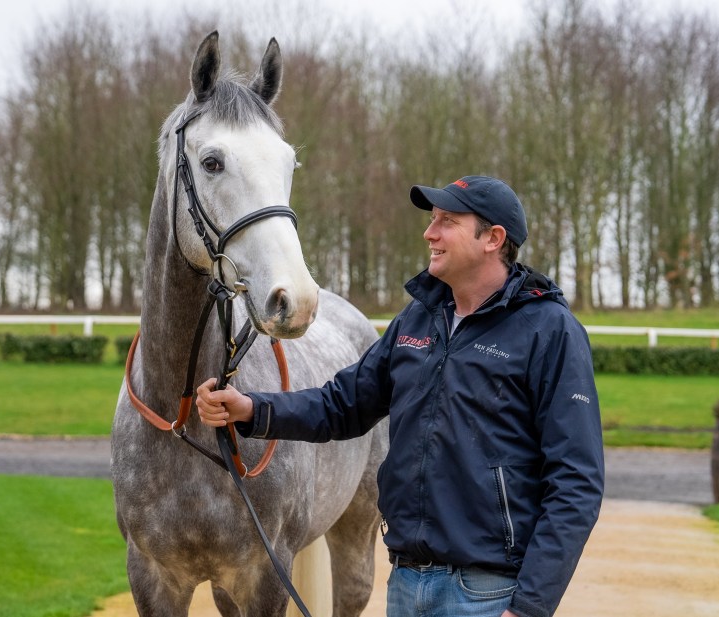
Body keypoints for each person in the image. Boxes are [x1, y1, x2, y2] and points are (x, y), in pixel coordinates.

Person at [196, 175, 604, 617]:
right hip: (407, 583)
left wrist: (529, 607)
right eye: (432, 220)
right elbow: (344, 404)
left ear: (493, 238)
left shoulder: (550, 331)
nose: (430, 233)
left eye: (447, 221)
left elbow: (576, 483)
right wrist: (254, 409)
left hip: (488, 595)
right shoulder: (418, 318)